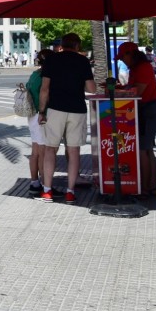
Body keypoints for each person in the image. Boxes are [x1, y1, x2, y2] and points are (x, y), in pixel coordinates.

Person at [38, 33, 97, 203]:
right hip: (77, 110)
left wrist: (42, 111)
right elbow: (91, 89)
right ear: (77, 46)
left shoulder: (52, 60)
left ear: (62, 45)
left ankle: (47, 191)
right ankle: (70, 191)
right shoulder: (83, 61)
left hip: (55, 109)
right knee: (74, 151)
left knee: (50, 149)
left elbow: (44, 89)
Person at [115, 42, 156, 198]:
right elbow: (132, 87)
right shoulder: (136, 68)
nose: (122, 61)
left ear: (130, 54)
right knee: (147, 149)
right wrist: (121, 88)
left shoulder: (142, 68)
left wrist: (121, 91)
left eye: (123, 57)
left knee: (143, 150)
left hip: (148, 111)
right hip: (146, 111)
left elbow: (137, 91)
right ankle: (151, 187)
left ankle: (145, 188)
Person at [25, 49, 53, 196]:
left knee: (35, 151)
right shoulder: (45, 77)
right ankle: (44, 184)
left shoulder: (34, 75)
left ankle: (34, 182)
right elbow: (45, 95)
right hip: (42, 115)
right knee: (43, 152)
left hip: (31, 115)